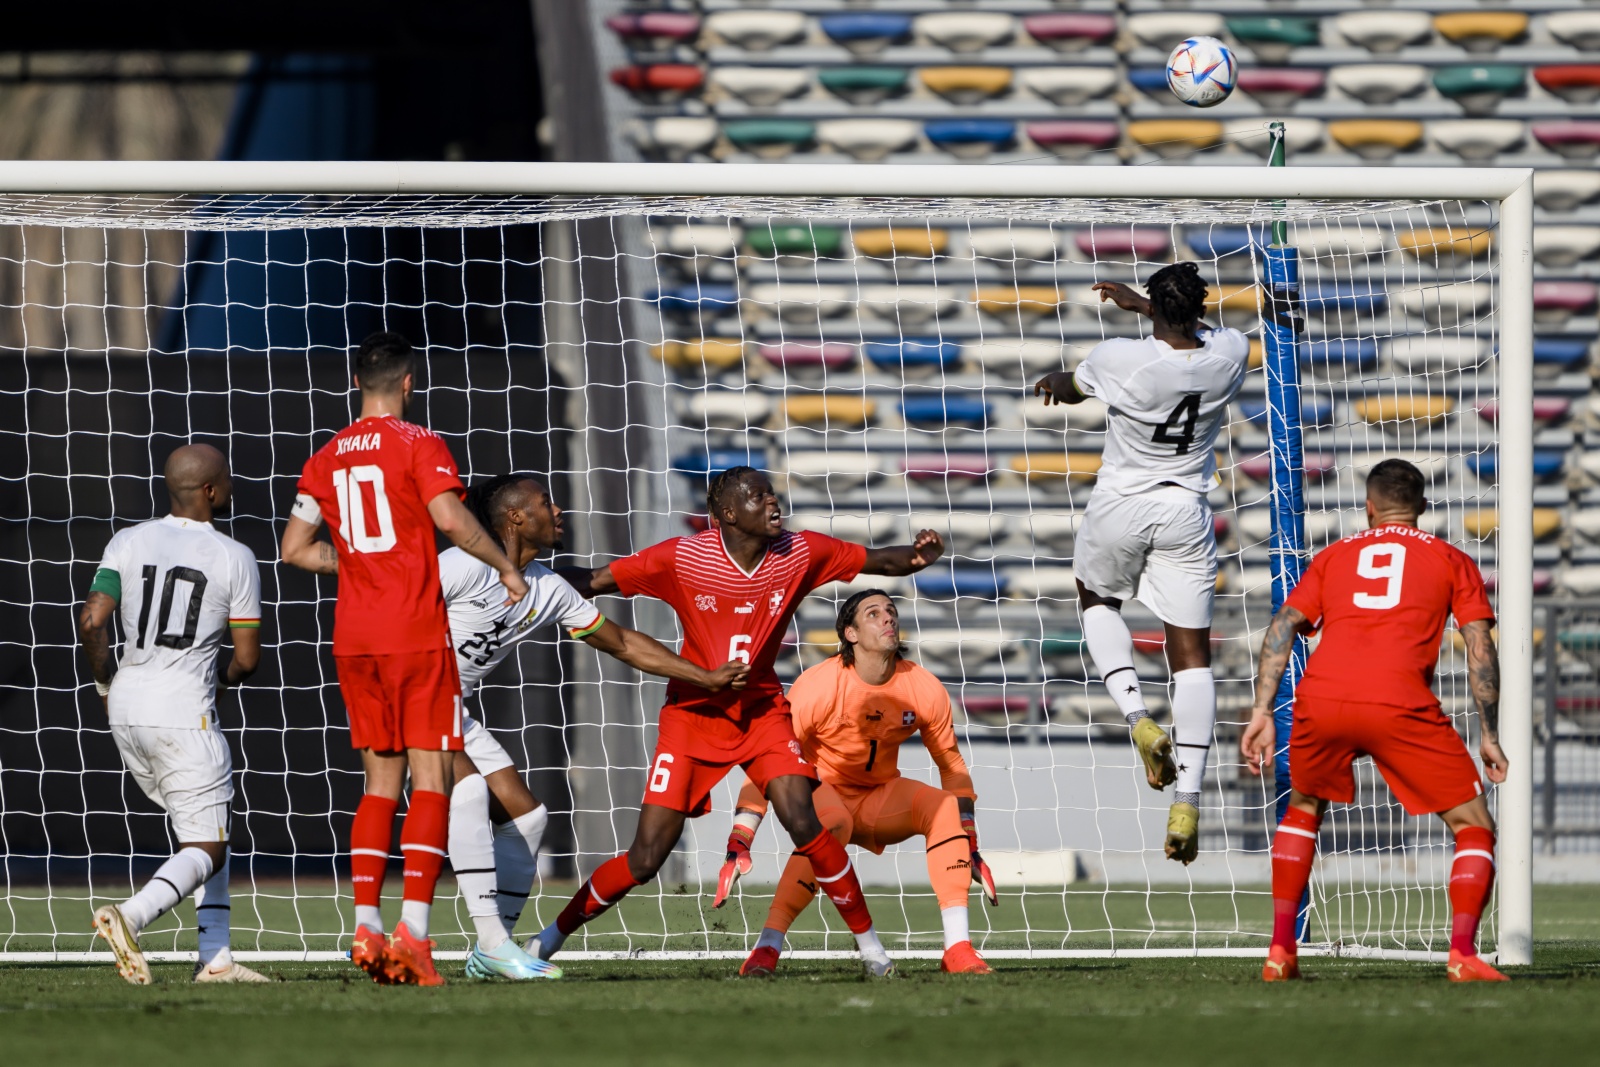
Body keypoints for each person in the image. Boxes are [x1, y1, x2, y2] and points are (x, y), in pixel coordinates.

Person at [530, 466, 946, 977]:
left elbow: (877, 559)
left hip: (761, 712)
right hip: (691, 716)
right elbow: (594, 582)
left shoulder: (800, 552)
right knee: (645, 858)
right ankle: (548, 938)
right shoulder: (683, 557)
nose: (773, 503)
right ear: (727, 513)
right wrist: (521, 581)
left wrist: (919, 556)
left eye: (772, 494)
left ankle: (874, 952)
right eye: (757, 497)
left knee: (804, 819)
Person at [280, 331, 529, 986]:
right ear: (409, 382)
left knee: (378, 785)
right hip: (414, 631)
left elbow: (294, 548)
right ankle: (413, 934)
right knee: (431, 778)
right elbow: (450, 517)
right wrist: (505, 565)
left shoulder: (325, 456)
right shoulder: (419, 442)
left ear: (356, 383)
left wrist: (358, 564)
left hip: (354, 637)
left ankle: (365, 926)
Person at [1241, 459, 1509, 982]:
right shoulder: (1454, 559)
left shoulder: (1334, 556)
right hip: (1398, 701)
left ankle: (1280, 950)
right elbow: (1479, 647)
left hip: (1323, 698)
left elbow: (1284, 626)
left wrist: (1261, 711)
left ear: (1368, 508)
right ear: (1423, 507)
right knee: (1473, 826)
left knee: (1302, 809)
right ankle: (1462, 955)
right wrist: (1489, 734)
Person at [1034, 263, 1251, 864]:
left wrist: (1057, 377)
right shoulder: (1231, 353)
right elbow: (1197, 334)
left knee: (1097, 599)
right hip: (1187, 507)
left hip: (1122, 503)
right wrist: (1150, 309)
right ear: (1198, 308)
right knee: (1192, 656)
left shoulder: (1117, 358)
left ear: (1153, 306)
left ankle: (1137, 717)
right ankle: (1187, 798)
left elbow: (1073, 387)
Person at [714, 589, 999, 977]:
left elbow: (951, 765)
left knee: (943, 806)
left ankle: (958, 948)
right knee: (833, 824)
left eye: (891, 611)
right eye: (873, 613)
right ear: (849, 633)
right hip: (822, 794)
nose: (888, 618)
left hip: (881, 799)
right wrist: (740, 840)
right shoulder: (819, 685)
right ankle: (767, 946)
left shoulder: (924, 687)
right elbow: (771, 761)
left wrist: (971, 838)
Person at [79, 444, 266, 985]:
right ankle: (130, 916)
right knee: (207, 844)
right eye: (226, 480)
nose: (231, 487)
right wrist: (222, 683)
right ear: (210, 491)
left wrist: (104, 682)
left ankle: (216, 959)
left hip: (126, 702)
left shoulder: (127, 540)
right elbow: (247, 658)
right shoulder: (234, 555)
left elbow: (92, 621)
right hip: (183, 706)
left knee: (209, 830)